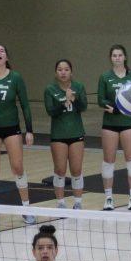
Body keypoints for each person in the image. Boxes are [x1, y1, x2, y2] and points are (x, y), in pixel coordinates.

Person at [0, 45, 35, 226]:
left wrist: (30, 130)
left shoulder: (16, 77)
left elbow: (25, 105)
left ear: (7, 56)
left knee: (18, 167)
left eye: (2, 51)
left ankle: (26, 209)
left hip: (12, 128)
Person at [98, 44, 131, 211]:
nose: (117, 58)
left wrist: (125, 108)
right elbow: (101, 99)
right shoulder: (105, 77)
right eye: (114, 55)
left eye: (120, 55)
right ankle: (108, 198)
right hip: (110, 124)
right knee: (109, 160)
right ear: (111, 58)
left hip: (128, 123)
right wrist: (113, 107)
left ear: (125, 57)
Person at [44, 59, 88, 210]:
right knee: (60, 170)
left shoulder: (79, 87)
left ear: (71, 72)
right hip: (58, 135)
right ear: (56, 72)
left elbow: (84, 107)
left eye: (66, 69)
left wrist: (74, 100)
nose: (63, 72)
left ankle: (78, 202)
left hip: (76, 133)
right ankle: (61, 203)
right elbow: (51, 111)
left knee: (76, 169)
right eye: (60, 69)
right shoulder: (50, 89)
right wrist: (64, 101)